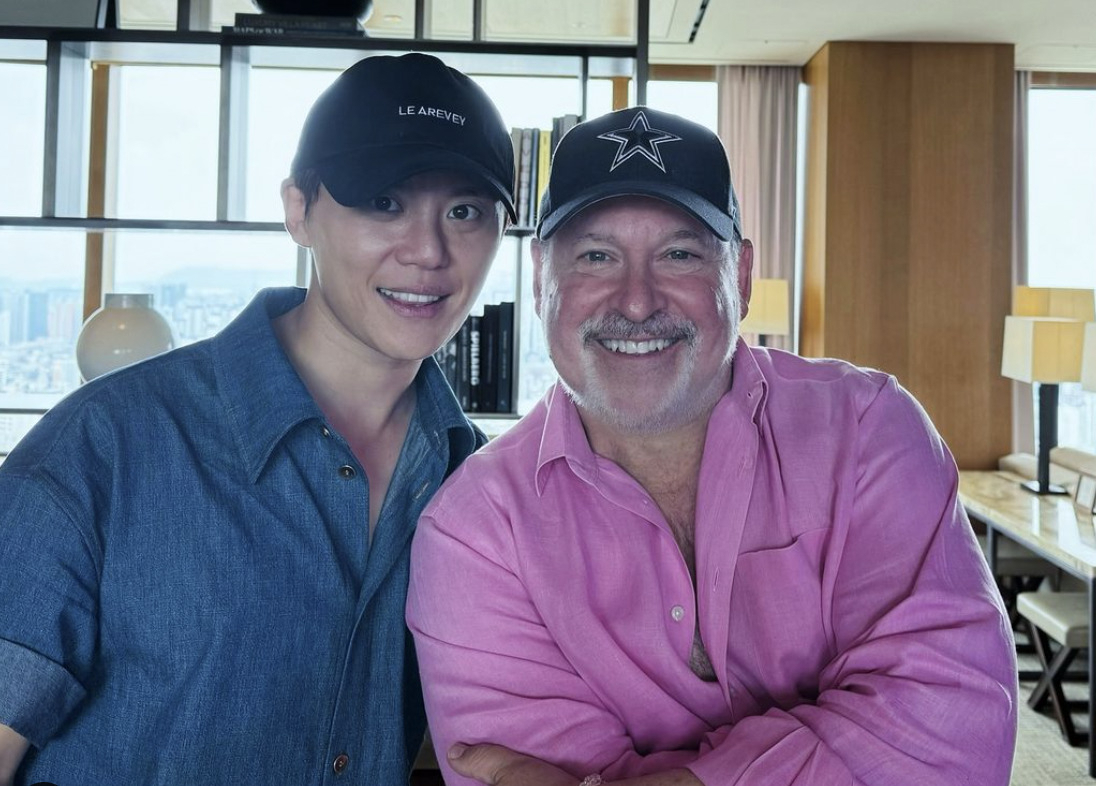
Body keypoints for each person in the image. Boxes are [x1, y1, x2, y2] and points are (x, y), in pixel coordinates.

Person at [406, 106, 1018, 785]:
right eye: (596, 256)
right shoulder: (474, 531)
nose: (636, 302)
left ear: (742, 276)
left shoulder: (869, 430)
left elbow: (958, 737)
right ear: (542, 277)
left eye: (679, 254)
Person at [0, 52, 514, 785]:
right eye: (385, 202)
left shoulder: (481, 487)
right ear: (298, 211)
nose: (428, 252)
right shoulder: (105, 448)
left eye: (464, 212)